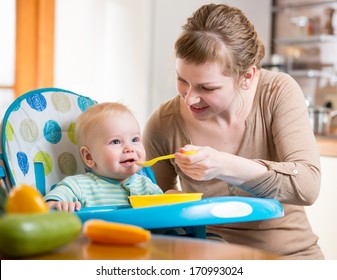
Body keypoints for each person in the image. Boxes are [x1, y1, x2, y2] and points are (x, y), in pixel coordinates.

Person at [142, 3, 324, 259]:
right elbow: (148, 207)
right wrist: (172, 201)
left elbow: (307, 185)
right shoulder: (164, 123)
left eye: (208, 88)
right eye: (182, 80)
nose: (190, 99)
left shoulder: (276, 93)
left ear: (247, 77)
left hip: (291, 257)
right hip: (211, 261)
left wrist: (223, 165)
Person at [44, 102, 163, 212]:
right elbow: (47, 206)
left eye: (135, 139)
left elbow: (166, 212)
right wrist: (57, 204)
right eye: (116, 142)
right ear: (89, 157)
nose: (129, 148)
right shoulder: (78, 186)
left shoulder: (147, 186)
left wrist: (174, 196)